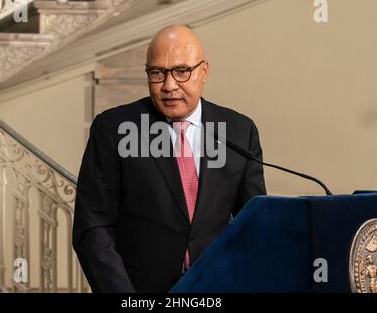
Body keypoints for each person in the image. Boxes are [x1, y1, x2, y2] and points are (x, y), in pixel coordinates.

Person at [72, 25, 267, 293]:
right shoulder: (113, 130)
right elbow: (93, 228)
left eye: (182, 71)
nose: (169, 85)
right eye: (157, 73)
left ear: (204, 71)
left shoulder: (239, 131)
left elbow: (253, 226)